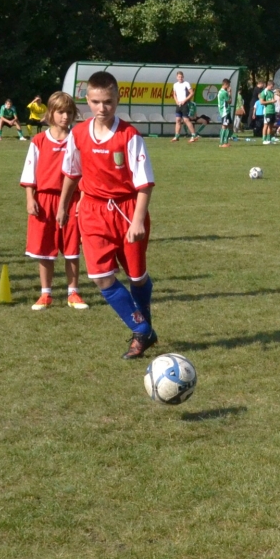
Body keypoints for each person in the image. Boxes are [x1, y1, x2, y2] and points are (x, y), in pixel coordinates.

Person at [57, 71, 158, 358]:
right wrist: (63, 206)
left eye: (108, 102)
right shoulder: (78, 134)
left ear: (117, 99)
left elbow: (144, 183)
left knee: (137, 277)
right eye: (96, 102)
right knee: (100, 277)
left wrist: (137, 220)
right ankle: (141, 330)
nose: (102, 108)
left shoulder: (129, 136)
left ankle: (144, 328)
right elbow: (72, 172)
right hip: (92, 210)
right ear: (87, 100)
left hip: (127, 210)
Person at [21, 91, 87, 310]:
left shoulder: (77, 140)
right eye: (60, 112)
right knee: (45, 250)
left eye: (69, 112)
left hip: (71, 200)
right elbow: (30, 172)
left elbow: (84, 173)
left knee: (72, 249)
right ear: (50, 113)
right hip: (44, 201)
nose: (65, 116)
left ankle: (73, 293)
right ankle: (45, 294)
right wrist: (30, 198)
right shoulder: (39, 141)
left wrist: (81, 200)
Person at [171, 70, 197, 143]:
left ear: (183, 77)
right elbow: (174, 94)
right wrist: (176, 101)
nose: (180, 78)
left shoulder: (186, 83)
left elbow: (191, 93)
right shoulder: (175, 85)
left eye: (181, 77)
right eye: (179, 77)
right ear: (177, 77)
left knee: (186, 120)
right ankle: (176, 136)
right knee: (178, 120)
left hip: (185, 104)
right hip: (178, 104)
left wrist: (185, 100)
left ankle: (193, 135)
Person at [216, 79, 235, 147]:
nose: (229, 86)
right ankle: (222, 143)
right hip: (225, 111)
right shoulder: (224, 92)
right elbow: (229, 101)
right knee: (224, 126)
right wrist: (230, 93)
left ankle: (226, 141)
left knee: (229, 125)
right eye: (229, 85)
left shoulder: (220, 91)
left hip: (226, 111)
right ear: (226, 84)